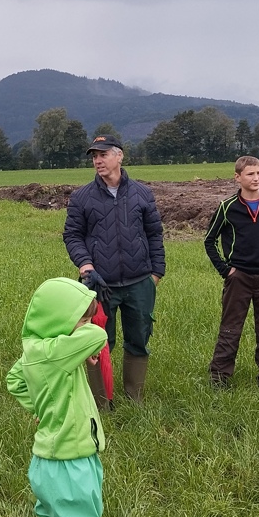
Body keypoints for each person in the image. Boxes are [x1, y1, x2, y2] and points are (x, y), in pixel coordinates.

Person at [63, 134, 165, 402]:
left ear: (119, 156)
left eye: (103, 154)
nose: (98, 160)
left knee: (139, 339)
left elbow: (154, 234)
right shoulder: (82, 197)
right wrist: (85, 266)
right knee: (98, 343)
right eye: (94, 156)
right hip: (99, 285)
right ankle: (101, 401)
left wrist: (156, 273)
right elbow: (72, 235)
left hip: (139, 281)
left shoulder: (142, 193)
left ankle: (135, 397)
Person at [6, 277, 108, 517]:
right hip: (70, 461)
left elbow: (15, 380)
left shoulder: (36, 351)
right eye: (82, 320)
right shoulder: (56, 353)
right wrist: (80, 343)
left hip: (47, 463)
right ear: (58, 322)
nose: (87, 325)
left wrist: (43, 407)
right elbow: (98, 334)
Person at [204, 156, 259, 388]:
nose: (256, 178)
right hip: (239, 278)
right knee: (230, 329)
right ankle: (220, 379)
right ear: (237, 177)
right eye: (250, 174)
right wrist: (226, 271)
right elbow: (209, 240)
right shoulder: (227, 207)